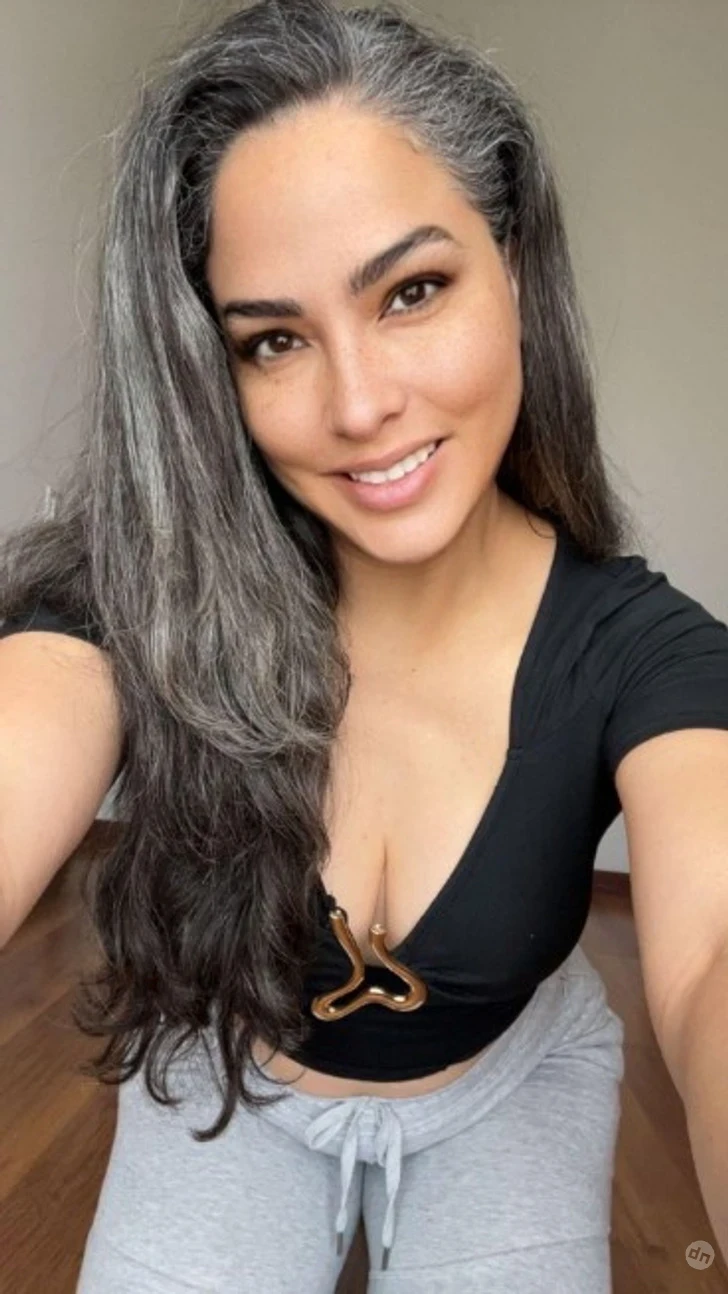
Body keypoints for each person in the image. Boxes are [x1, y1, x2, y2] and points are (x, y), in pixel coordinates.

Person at [1, 1, 728, 1289]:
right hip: (224, 1070)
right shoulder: (137, 609)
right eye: (273, 340)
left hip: (511, 1082)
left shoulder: (643, 652)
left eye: (412, 291)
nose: (357, 404)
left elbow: (713, 958)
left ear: (515, 266)